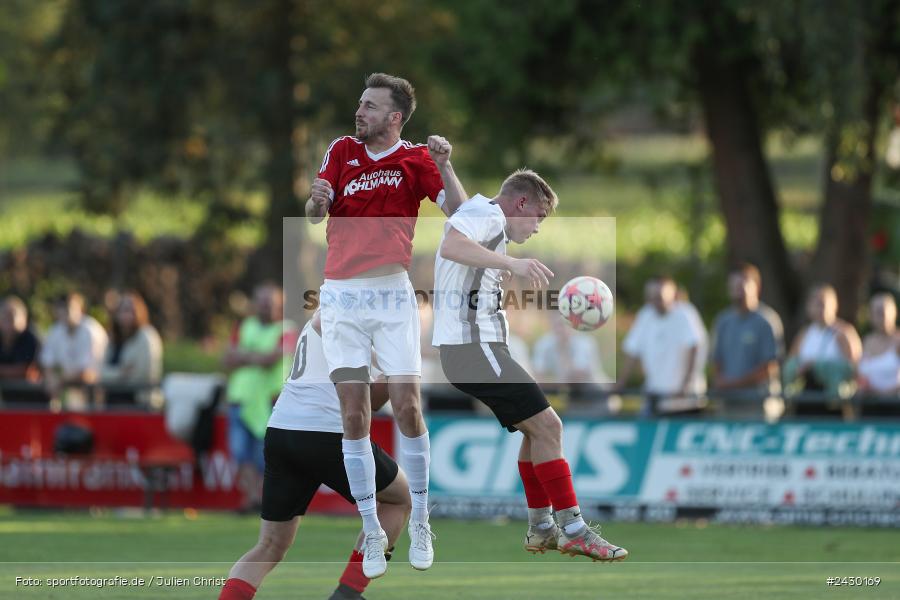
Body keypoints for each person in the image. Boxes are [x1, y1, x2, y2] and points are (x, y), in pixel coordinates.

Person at [305, 72, 467, 576]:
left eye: (370, 106)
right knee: (353, 414)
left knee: (407, 406)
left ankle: (421, 517)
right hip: (341, 294)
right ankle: (372, 529)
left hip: (392, 293)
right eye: (360, 103)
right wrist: (316, 202)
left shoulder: (416, 160)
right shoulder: (341, 150)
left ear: (395, 117)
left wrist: (445, 165)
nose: (360, 112)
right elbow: (313, 213)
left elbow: (460, 213)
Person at [433, 169, 628, 562]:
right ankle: (574, 529)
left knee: (534, 431)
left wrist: (446, 166)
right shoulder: (490, 216)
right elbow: (452, 244)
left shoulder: (481, 212)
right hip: (474, 348)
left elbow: (458, 213)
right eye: (538, 216)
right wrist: (514, 263)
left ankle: (541, 528)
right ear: (521, 203)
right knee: (550, 426)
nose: (538, 227)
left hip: (478, 350)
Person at [219, 312, 411, 600]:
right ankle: (348, 594)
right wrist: (395, 365)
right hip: (327, 432)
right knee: (400, 498)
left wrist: (388, 373)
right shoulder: (360, 312)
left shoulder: (336, 309)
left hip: (282, 429)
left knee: (270, 545)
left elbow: (369, 399)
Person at [224, 284, 296, 512]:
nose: (265, 307)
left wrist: (243, 355)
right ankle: (253, 498)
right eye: (262, 302)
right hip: (240, 398)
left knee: (262, 455)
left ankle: (262, 498)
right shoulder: (244, 326)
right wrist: (256, 357)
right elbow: (227, 358)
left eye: (270, 303)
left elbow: (270, 360)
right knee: (239, 453)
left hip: (270, 401)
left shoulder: (287, 329)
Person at [618, 277, 707, 416]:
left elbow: (694, 348)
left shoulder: (685, 313)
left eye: (659, 297)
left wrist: (686, 385)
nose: (654, 301)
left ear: (672, 294)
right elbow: (632, 351)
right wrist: (620, 384)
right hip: (655, 396)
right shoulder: (645, 314)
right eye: (651, 297)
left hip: (685, 400)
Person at [784, 284, 862, 415]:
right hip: (807, 397)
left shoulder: (843, 333)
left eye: (823, 303)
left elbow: (854, 367)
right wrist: (800, 369)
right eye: (816, 304)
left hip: (833, 400)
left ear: (834, 305)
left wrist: (820, 367)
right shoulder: (804, 334)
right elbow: (791, 363)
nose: (820, 309)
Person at [710, 264, 781, 406]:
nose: (738, 290)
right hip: (728, 404)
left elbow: (771, 366)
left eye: (742, 285)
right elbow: (716, 361)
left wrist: (734, 384)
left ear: (757, 287)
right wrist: (721, 383)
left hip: (758, 404)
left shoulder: (766, 321)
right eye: (734, 285)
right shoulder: (723, 321)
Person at [39, 292, 108, 409]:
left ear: (81, 309)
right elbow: (46, 362)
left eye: (69, 307)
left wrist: (59, 381)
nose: (65, 311)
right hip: (71, 394)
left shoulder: (91, 331)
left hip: (96, 395)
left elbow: (88, 374)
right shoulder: (56, 330)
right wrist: (51, 380)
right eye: (61, 307)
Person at [100, 291, 163, 405]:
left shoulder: (147, 337)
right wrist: (121, 373)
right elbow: (101, 373)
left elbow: (142, 375)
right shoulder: (113, 339)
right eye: (122, 310)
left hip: (139, 403)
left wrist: (115, 375)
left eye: (129, 310)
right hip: (112, 402)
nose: (125, 314)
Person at [532, 316, 607, 406]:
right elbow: (538, 376)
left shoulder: (585, 342)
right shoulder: (543, 343)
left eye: (563, 325)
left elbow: (576, 378)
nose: (560, 329)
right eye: (557, 325)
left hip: (593, 392)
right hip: (567, 394)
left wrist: (563, 349)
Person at [857, 293, 900, 397]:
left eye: (882, 311)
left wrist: (881, 394)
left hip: (893, 404)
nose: (881, 317)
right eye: (876, 312)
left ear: (894, 313)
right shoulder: (866, 341)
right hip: (868, 404)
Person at [0, 296, 41, 382]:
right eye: (4, 316)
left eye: (11, 316)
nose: (7, 320)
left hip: (27, 389)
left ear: (24, 318)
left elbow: (26, 371)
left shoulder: (31, 339)